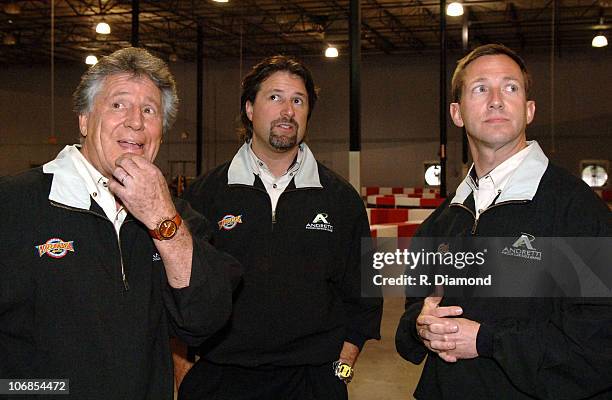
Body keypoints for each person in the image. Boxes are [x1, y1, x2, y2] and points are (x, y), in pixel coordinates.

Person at [0, 47, 240, 400]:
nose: (136, 122)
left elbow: (204, 320)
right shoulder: (15, 204)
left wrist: (161, 219)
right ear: (84, 119)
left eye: (149, 110)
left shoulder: (178, 218)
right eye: (118, 105)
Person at [395, 44, 612, 399]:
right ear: (457, 112)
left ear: (528, 110)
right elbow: (412, 312)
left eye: (510, 87)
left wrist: (486, 341)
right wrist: (421, 327)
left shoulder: (577, 211)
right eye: (480, 88)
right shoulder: (441, 222)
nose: (496, 100)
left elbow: (601, 342)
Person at [178, 55, 383, 400]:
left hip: (312, 381)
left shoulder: (341, 200)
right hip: (221, 379)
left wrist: (340, 372)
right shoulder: (204, 195)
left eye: (298, 100)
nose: (287, 110)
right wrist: (185, 375)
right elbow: (179, 293)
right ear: (249, 109)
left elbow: (364, 297)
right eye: (274, 97)